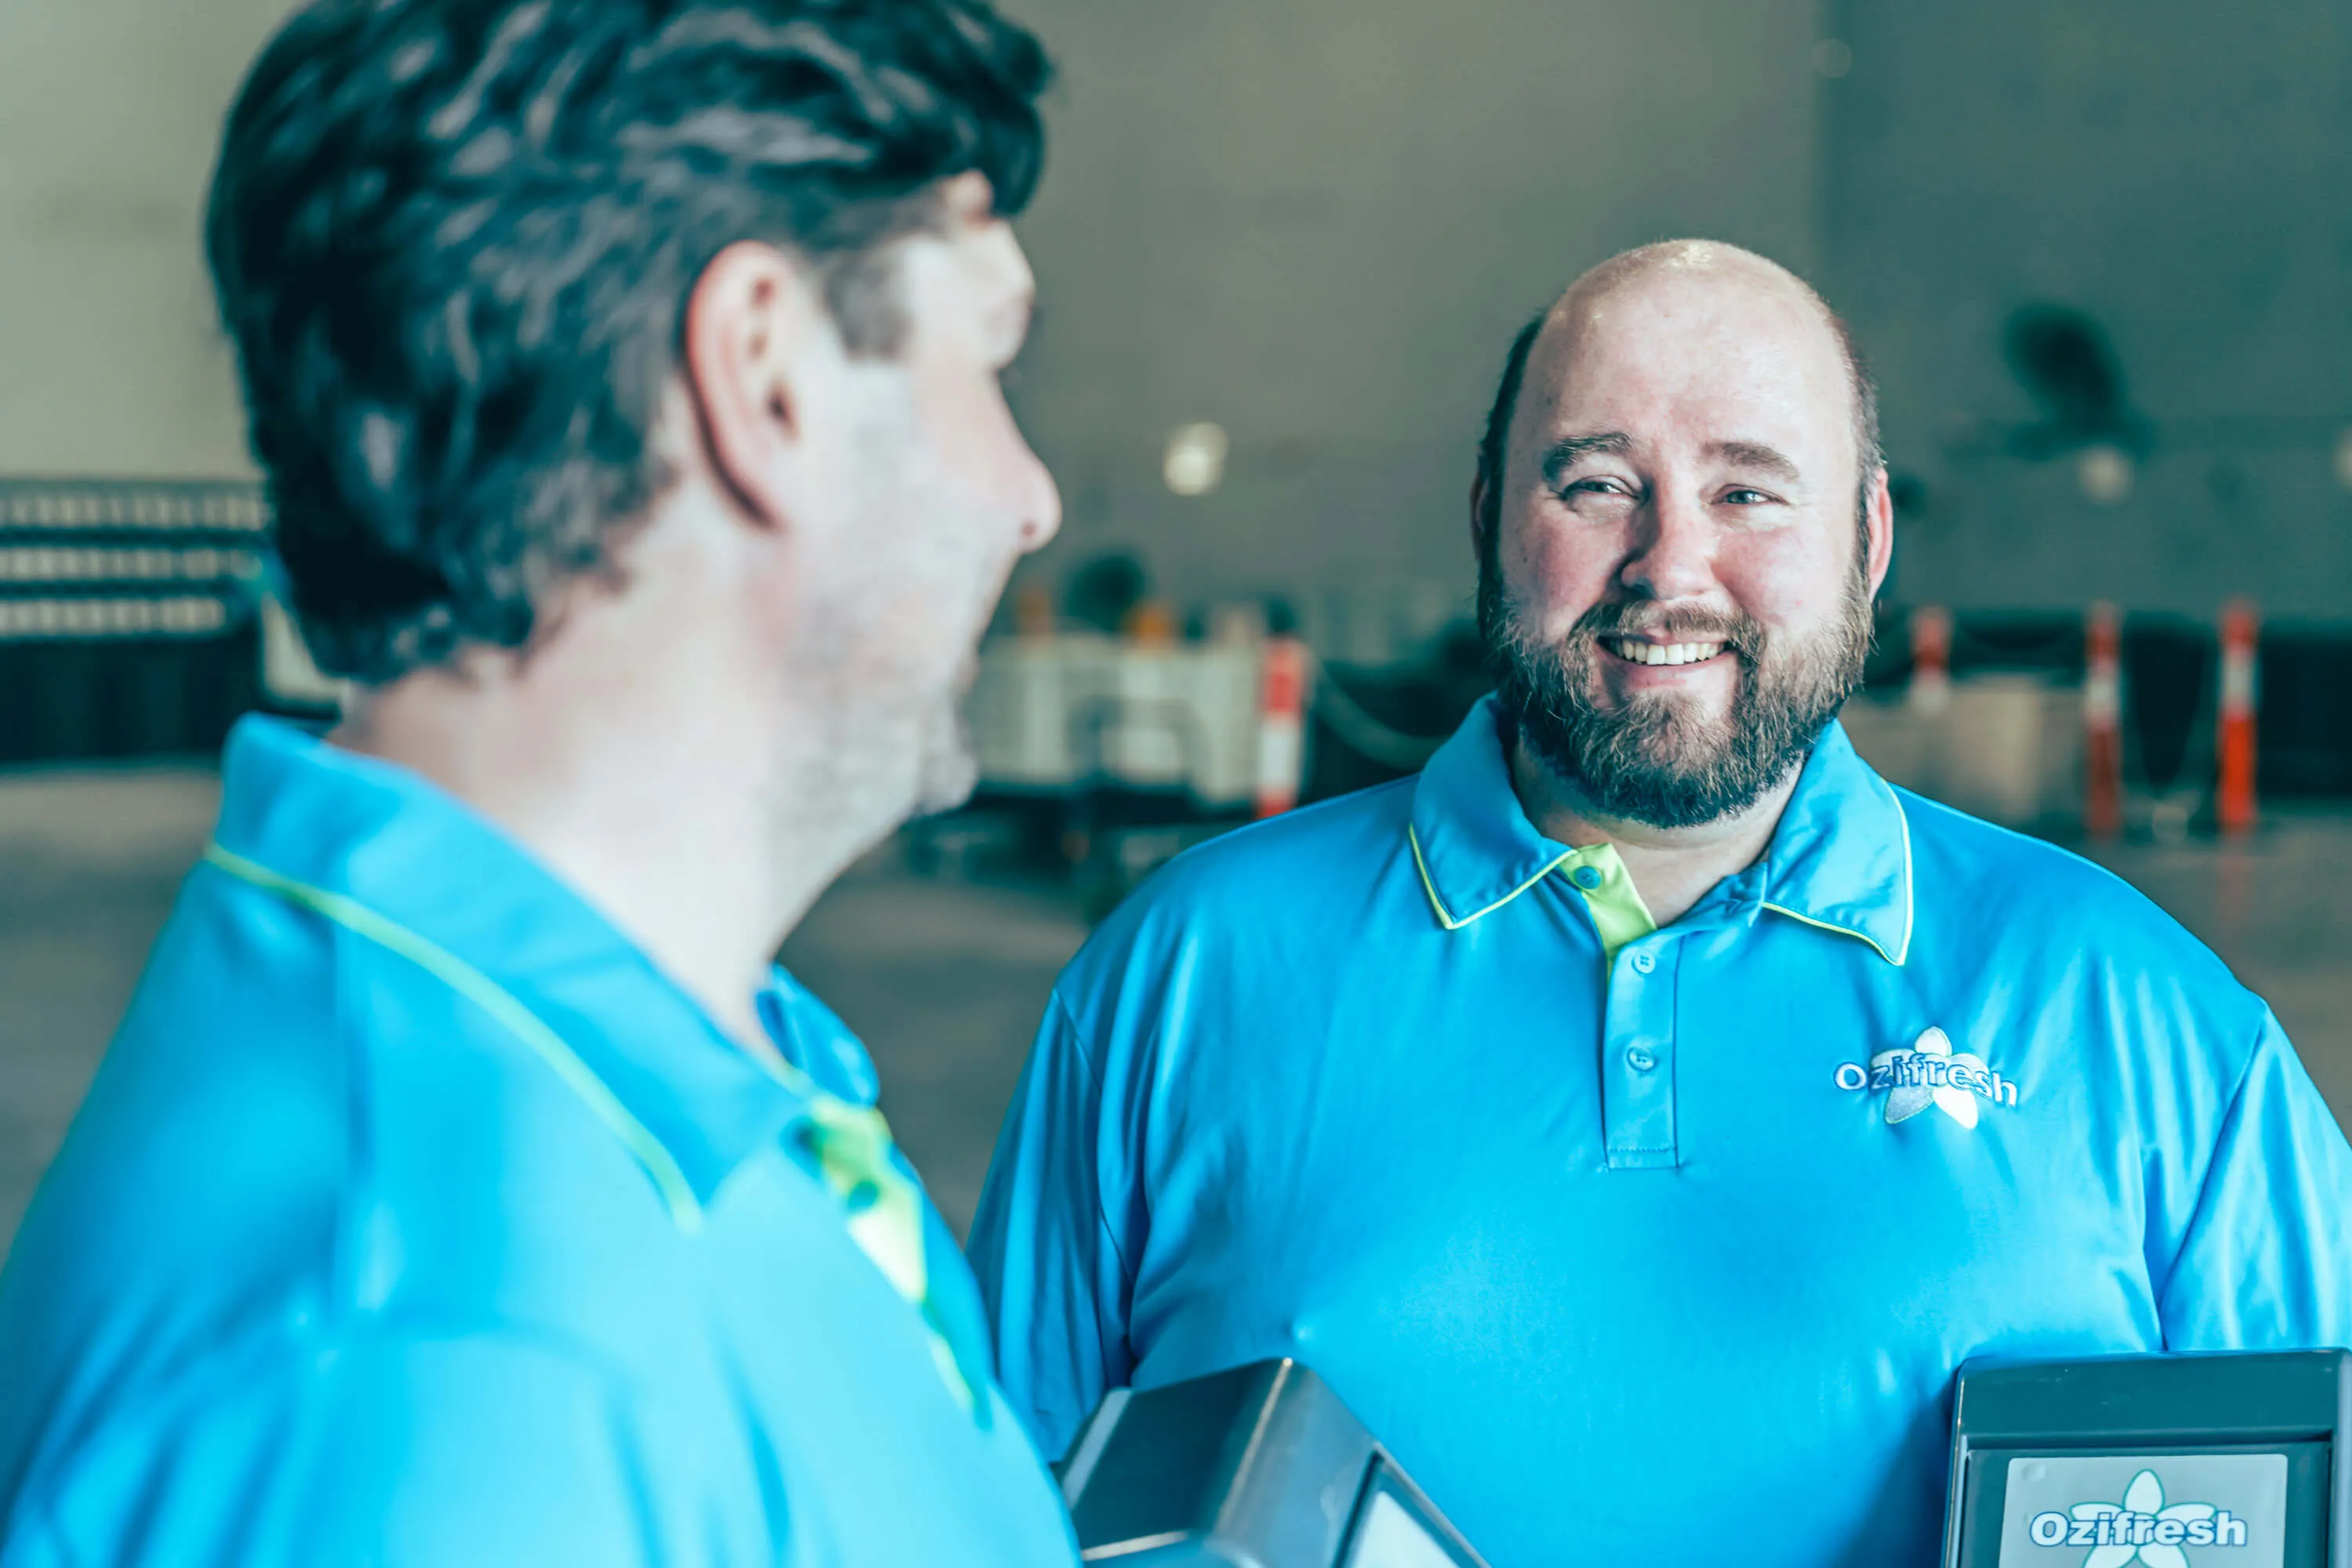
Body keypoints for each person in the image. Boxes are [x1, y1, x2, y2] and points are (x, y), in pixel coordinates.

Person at [970, 241, 2352, 1566]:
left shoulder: (2137, 1016)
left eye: (1750, 493)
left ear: (1867, 541)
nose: (1670, 567)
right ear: (1486, 518)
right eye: (1594, 484)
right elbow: (983, 1512)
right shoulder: (1183, 976)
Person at [0, 2, 1075, 1563]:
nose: (1030, 496)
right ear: (764, 373)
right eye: (990, 359)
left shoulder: (642, 1072)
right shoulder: (445, 1381)